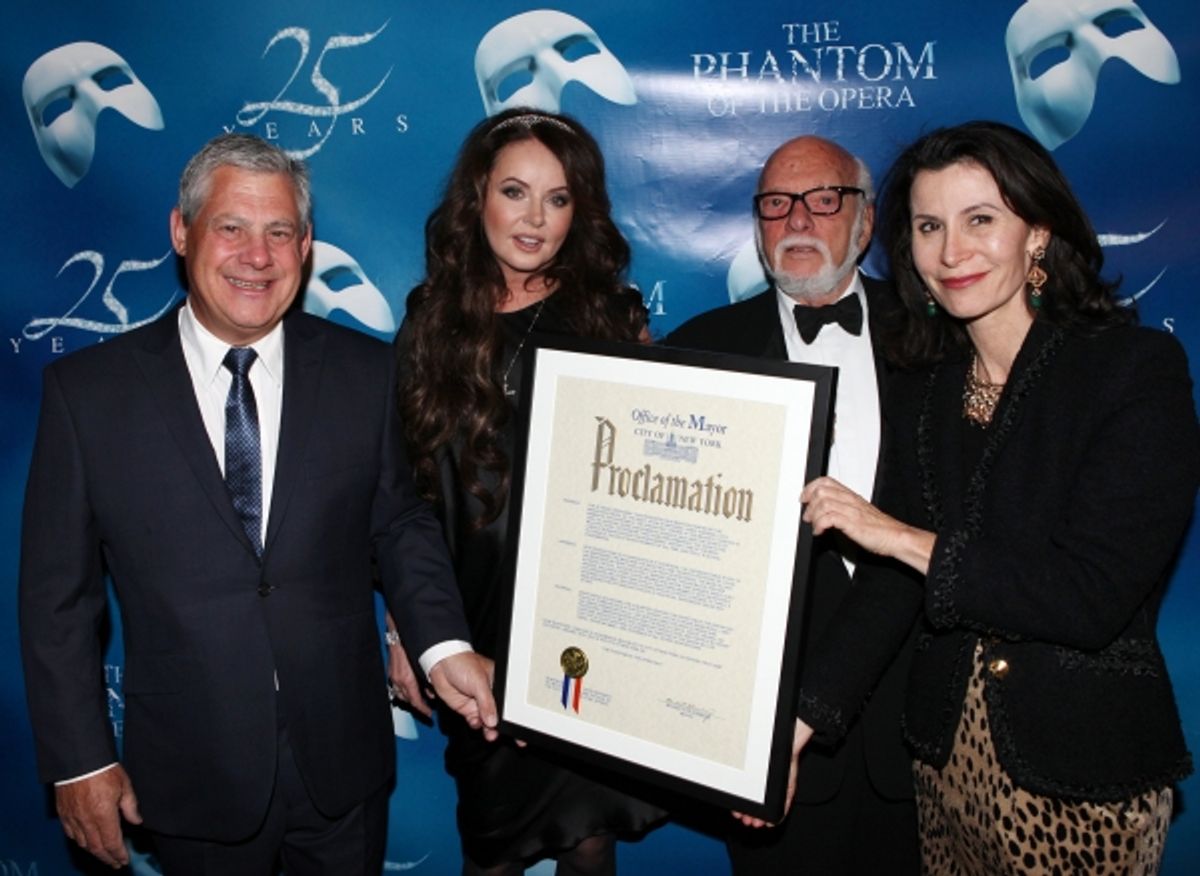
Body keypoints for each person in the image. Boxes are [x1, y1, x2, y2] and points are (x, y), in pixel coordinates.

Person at [19, 133, 497, 875]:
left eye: (279, 232)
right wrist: (79, 763)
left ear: (305, 246)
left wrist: (443, 644)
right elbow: (56, 600)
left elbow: (398, 522)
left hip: (341, 766)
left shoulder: (364, 373)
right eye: (231, 228)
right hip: (189, 773)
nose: (257, 255)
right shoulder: (88, 396)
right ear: (182, 231)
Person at [799, 120, 1198, 874]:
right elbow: (889, 590)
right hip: (944, 770)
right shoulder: (928, 390)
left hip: (1083, 777)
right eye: (928, 226)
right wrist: (794, 731)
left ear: (1038, 234)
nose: (952, 251)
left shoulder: (1132, 371)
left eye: (980, 219)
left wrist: (903, 537)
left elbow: (1089, 597)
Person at [389, 108, 664, 876]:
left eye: (559, 198)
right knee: (493, 837)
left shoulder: (614, 318)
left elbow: (646, 490)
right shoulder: (431, 322)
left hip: (583, 617)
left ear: (583, 211)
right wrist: (407, 627)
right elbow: (403, 487)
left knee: (589, 834)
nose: (535, 219)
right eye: (515, 191)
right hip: (472, 618)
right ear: (478, 198)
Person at [666, 136, 920, 875]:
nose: (798, 219)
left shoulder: (938, 338)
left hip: (919, 734)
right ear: (757, 225)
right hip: (768, 750)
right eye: (776, 204)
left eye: (822, 200)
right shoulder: (697, 352)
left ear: (865, 223)